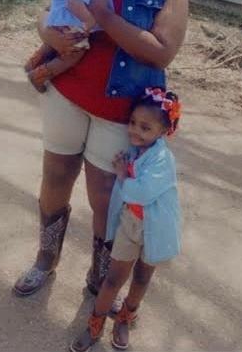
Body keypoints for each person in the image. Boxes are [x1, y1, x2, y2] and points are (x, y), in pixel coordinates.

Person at [13, 0, 188, 305]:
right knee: (55, 177)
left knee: (105, 198)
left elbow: (161, 52)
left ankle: (100, 273)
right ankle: (45, 258)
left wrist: (105, 16)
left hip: (119, 112)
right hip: (67, 94)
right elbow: (53, 8)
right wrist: (46, 30)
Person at [70, 87, 182, 352]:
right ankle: (94, 324)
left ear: (163, 131)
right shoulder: (134, 151)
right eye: (132, 123)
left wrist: (122, 175)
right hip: (129, 226)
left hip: (155, 229)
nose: (135, 131)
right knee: (113, 279)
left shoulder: (163, 159)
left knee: (142, 278)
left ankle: (125, 318)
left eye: (145, 127)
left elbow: (142, 193)